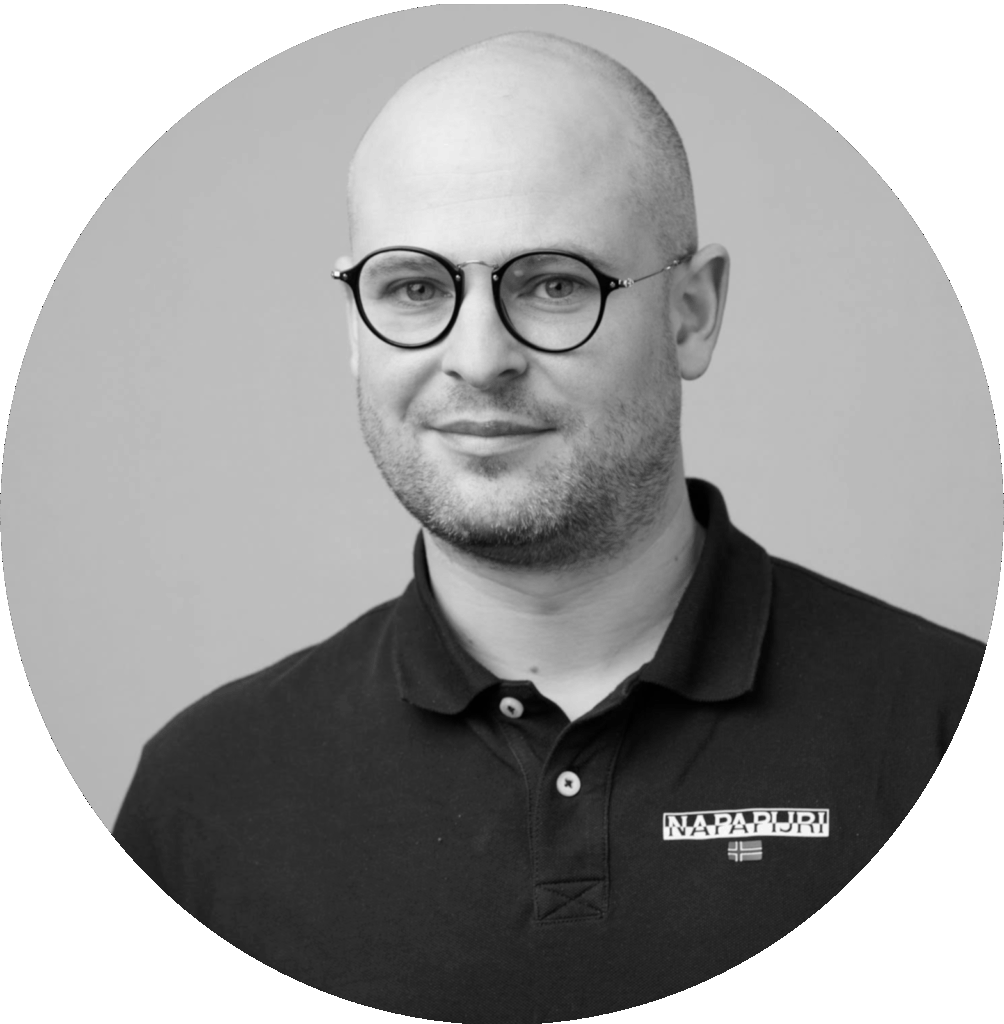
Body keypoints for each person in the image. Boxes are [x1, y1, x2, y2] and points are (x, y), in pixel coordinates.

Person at [113, 31, 983, 1022]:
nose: (478, 358)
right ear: (355, 324)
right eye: (415, 288)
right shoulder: (206, 798)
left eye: (553, 282)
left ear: (691, 313)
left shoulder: (950, 737)